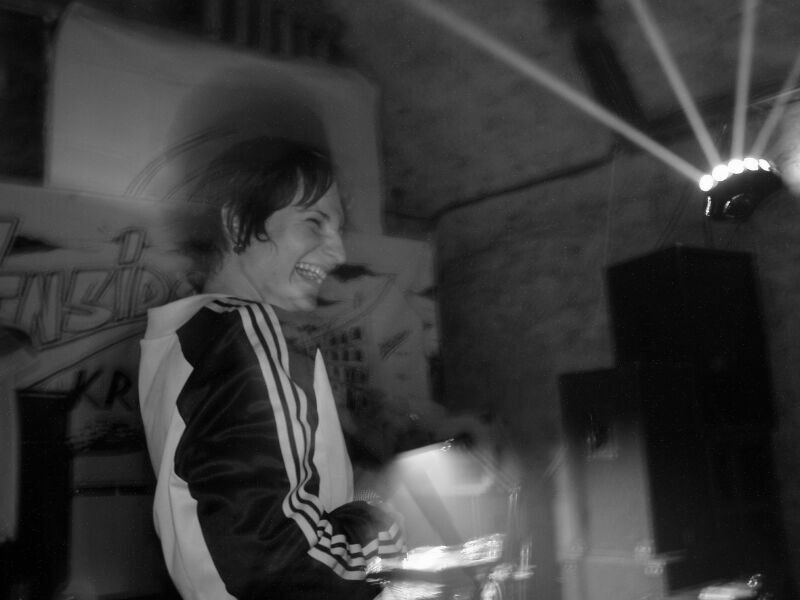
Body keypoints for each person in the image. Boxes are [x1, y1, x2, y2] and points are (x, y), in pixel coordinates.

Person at [138, 137, 404, 600]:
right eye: (314, 223)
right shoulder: (248, 331)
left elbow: (239, 503)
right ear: (238, 223)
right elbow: (278, 562)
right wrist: (386, 524)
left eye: (338, 229)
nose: (338, 253)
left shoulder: (189, 335)